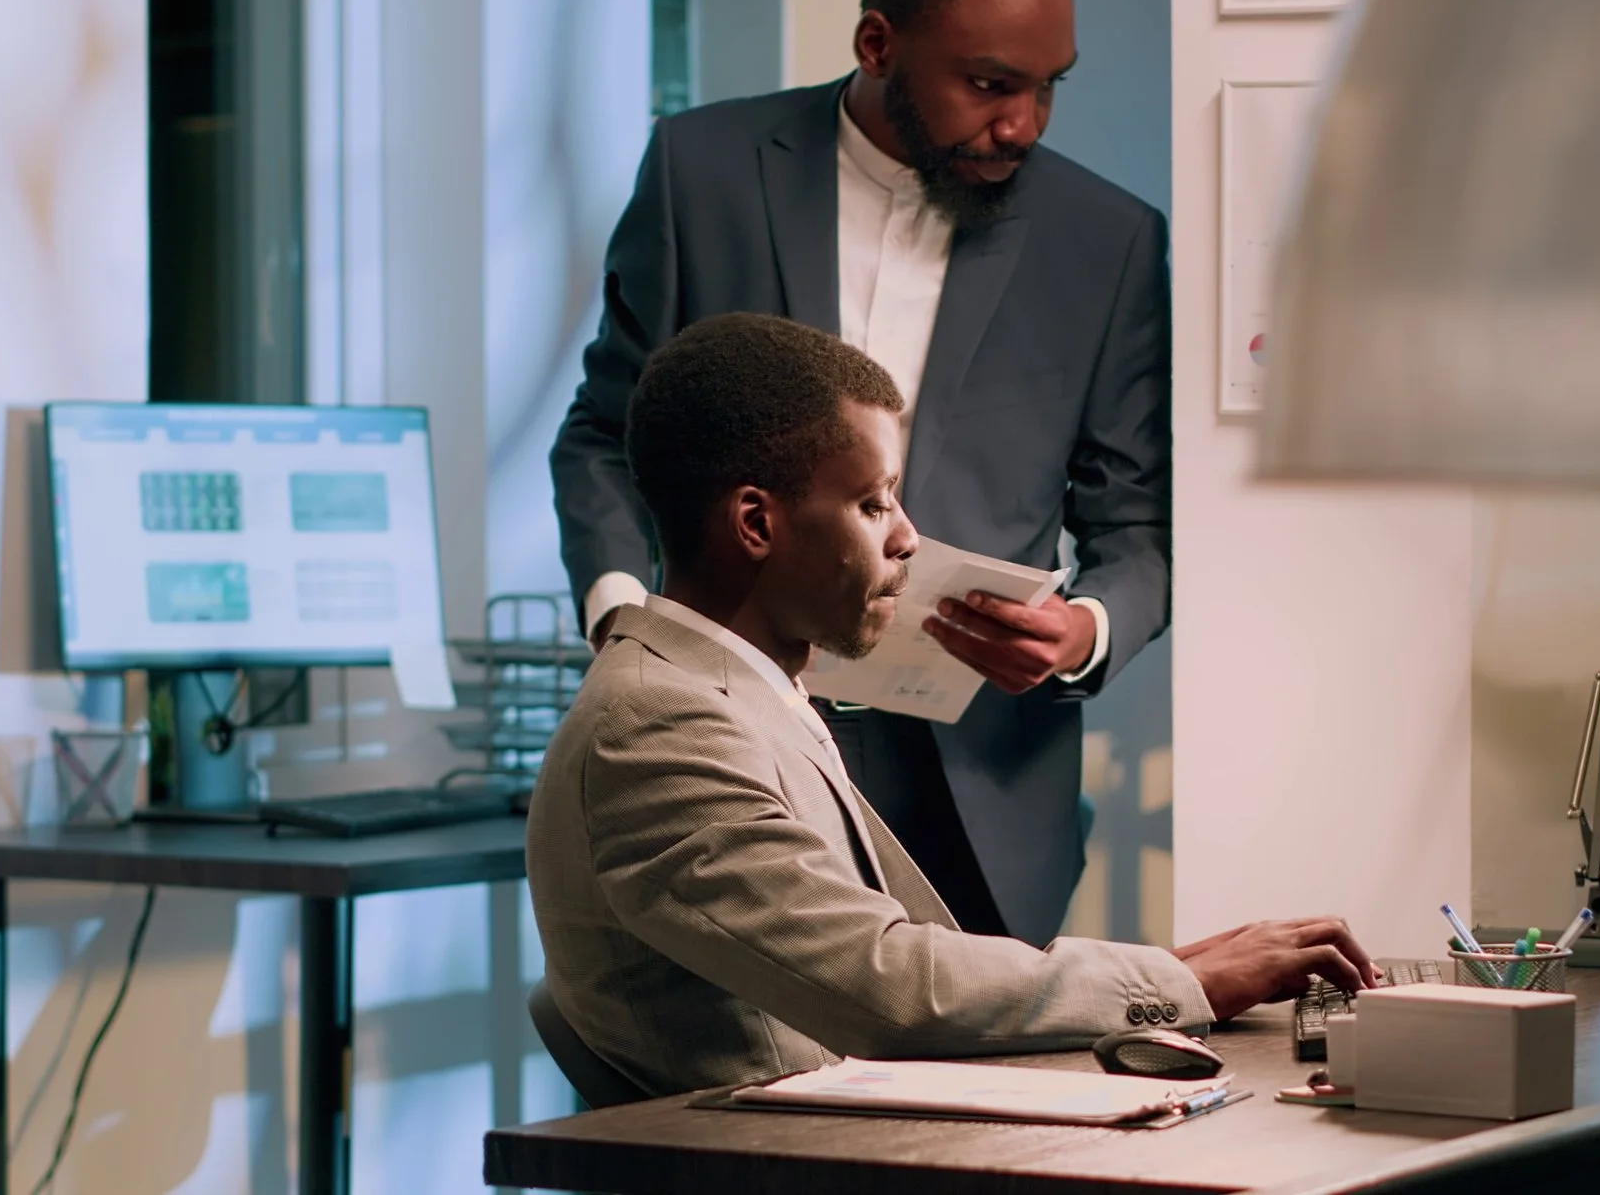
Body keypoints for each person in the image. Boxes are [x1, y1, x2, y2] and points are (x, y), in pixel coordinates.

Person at [527, 314, 1372, 1096]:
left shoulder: (731, 691)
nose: (906, 537)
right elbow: (890, 988)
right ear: (756, 523)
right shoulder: (658, 725)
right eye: (872, 503)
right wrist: (1177, 985)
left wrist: (1169, 972)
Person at [551, 0, 1169, 946]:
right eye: (988, 83)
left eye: (1048, 88)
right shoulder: (698, 174)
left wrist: (1084, 630)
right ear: (877, 41)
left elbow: (1138, 526)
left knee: (988, 1110)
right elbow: (605, 434)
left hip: (984, 792)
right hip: (727, 741)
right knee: (722, 1094)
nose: (1022, 123)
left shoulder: (1105, 241)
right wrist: (623, 623)